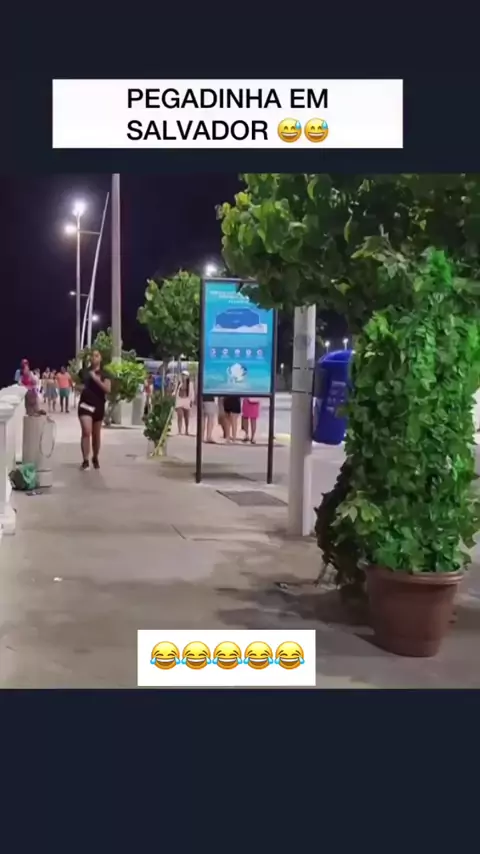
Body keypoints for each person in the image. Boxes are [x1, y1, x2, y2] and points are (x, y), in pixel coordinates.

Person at [77, 349, 111, 470]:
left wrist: (96, 379)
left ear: (100, 358)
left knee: (96, 436)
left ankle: (95, 457)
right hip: (85, 405)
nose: (94, 357)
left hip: (98, 406)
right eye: (92, 355)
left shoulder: (105, 374)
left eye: (96, 355)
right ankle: (85, 460)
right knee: (86, 431)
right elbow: (77, 385)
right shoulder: (84, 372)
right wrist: (80, 388)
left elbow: (107, 389)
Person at [175, 370, 195, 435]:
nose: (183, 376)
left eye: (185, 375)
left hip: (187, 400)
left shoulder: (190, 384)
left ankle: (186, 430)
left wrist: (191, 401)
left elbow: (192, 393)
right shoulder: (179, 383)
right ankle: (179, 431)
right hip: (180, 400)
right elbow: (176, 391)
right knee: (179, 416)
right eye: (183, 375)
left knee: (186, 417)